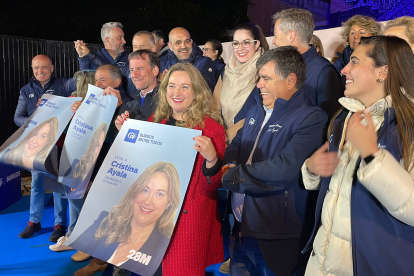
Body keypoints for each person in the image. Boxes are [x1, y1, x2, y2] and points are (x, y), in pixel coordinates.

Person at [302, 36, 414, 275]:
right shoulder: (345, 117)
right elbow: (336, 190)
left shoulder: (409, 126)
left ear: (382, 72)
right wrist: (312, 169)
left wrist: (372, 155)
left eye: (354, 61)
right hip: (323, 260)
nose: (344, 69)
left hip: (372, 265)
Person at [222, 46, 327, 275]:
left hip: (275, 236)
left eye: (266, 78)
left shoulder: (311, 118)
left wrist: (233, 176)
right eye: (259, 78)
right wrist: (229, 163)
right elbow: (237, 143)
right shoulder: (257, 109)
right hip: (240, 230)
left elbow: (283, 170)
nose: (259, 84)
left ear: (290, 80)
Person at [147, 63, 225, 275]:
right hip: (152, 218)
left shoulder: (211, 129)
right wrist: (124, 134)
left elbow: (213, 187)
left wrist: (212, 159)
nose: (176, 93)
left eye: (184, 87)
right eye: (171, 86)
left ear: (197, 91)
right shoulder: (155, 123)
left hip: (188, 223)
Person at [72, 161, 181, 276]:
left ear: (169, 203)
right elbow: (84, 242)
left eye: (160, 194)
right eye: (145, 190)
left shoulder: (166, 245)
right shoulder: (107, 219)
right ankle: (98, 264)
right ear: (135, 192)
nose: (148, 201)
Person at [14, 54, 74, 241]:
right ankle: (34, 221)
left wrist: (84, 57)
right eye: (36, 68)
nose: (40, 71)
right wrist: (36, 119)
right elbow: (18, 118)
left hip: (60, 142)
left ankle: (59, 224)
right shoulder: (26, 90)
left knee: (57, 184)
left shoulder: (64, 85)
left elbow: (83, 78)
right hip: (38, 144)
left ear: (52, 68)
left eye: (44, 67)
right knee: (37, 183)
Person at [272, 8, 342, 120]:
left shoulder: (324, 71)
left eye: (276, 35)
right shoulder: (279, 68)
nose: (273, 41)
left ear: (291, 36)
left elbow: (329, 122)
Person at [50, 123, 107, 252]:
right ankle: (72, 235)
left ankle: (93, 235)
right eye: (96, 144)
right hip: (82, 164)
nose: (97, 148)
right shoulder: (80, 160)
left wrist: (90, 179)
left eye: (100, 145)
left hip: (103, 173)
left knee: (77, 196)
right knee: (70, 189)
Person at [213, 23, 267, 145]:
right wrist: (219, 132)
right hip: (222, 140)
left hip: (249, 142)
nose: (240, 48)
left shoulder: (265, 73)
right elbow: (214, 105)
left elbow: (261, 112)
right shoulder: (226, 71)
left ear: (257, 44)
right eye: (236, 43)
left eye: (246, 42)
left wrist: (228, 135)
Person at [74, 22, 135, 98]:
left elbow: (119, 75)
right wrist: (83, 57)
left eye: (123, 37)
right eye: (119, 38)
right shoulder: (94, 57)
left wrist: (92, 56)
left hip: (126, 106)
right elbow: (83, 84)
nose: (124, 41)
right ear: (108, 40)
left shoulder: (130, 58)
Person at [333, 15, 381, 89]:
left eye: (362, 33)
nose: (356, 36)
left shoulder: (381, 60)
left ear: (374, 37)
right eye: (352, 33)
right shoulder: (339, 63)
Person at [117, 49, 161, 122]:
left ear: (155, 70)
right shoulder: (131, 103)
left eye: (140, 69)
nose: (134, 75)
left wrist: (121, 107)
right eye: (131, 70)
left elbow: (148, 128)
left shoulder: (167, 100)